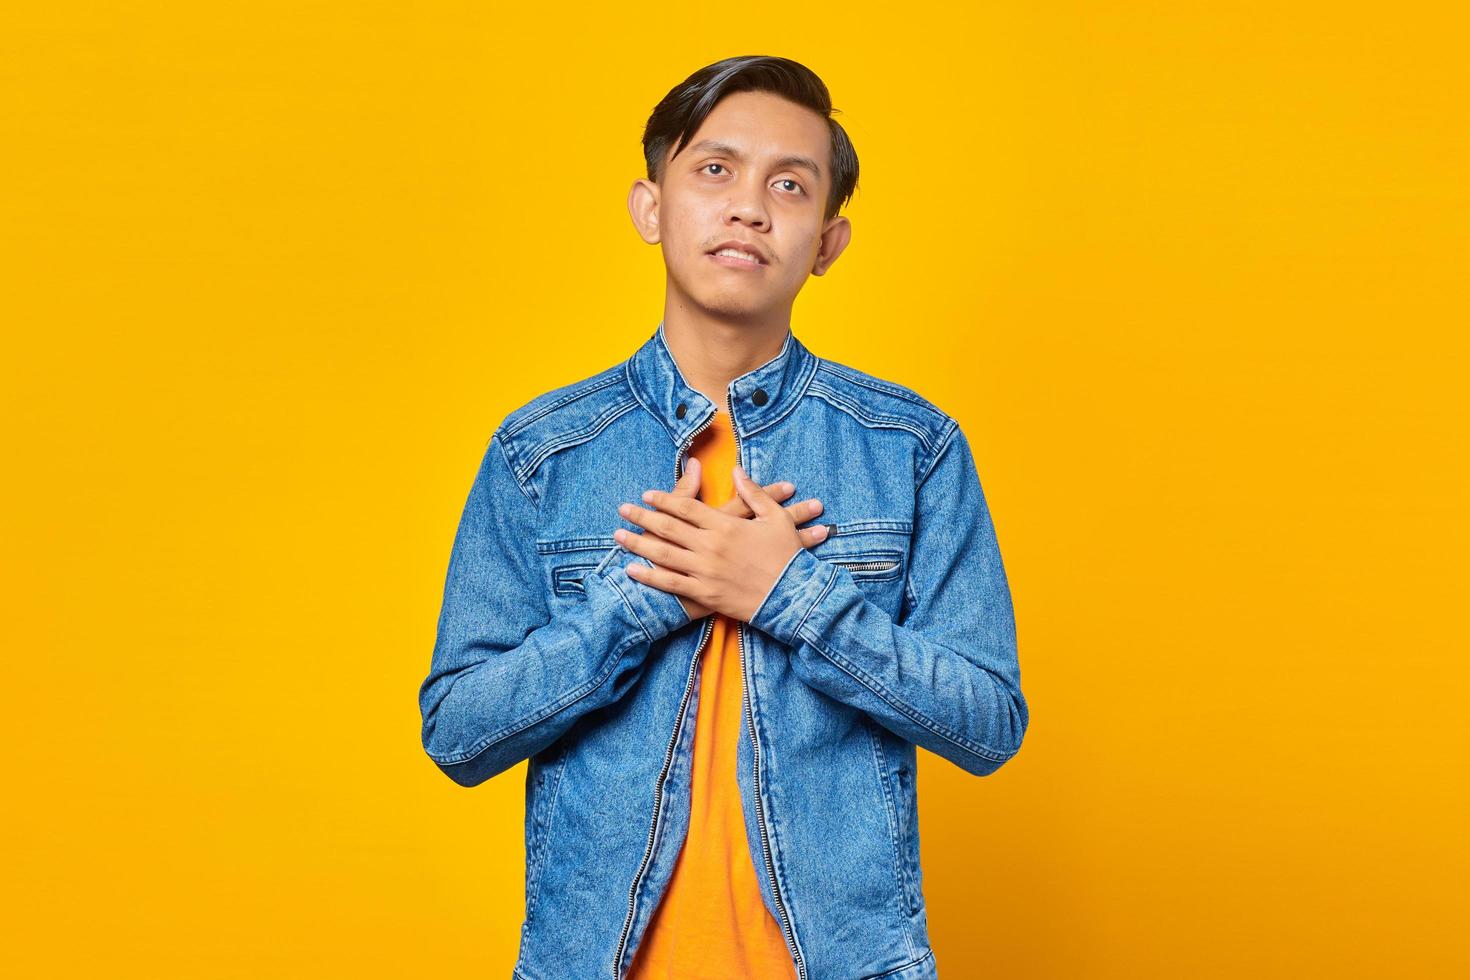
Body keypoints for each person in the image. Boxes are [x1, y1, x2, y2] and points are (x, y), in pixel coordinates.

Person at [419, 54, 1028, 980]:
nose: (750, 206)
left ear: (827, 240)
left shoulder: (912, 447)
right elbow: (457, 733)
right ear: (651, 206)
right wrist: (640, 605)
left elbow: (988, 723)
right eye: (715, 170)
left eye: (790, 184)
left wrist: (792, 597)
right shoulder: (541, 451)